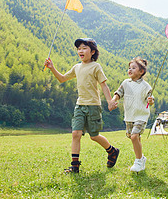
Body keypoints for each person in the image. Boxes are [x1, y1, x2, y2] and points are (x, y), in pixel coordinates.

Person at [44, 38, 119, 173]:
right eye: (79, 48)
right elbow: (62, 79)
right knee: (75, 133)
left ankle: (112, 151)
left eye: (84, 48)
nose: (80, 50)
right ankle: (75, 166)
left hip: (93, 106)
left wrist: (109, 101)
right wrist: (52, 68)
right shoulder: (77, 67)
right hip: (80, 105)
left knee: (94, 136)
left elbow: (103, 84)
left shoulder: (96, 66)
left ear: (93, 52)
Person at [111, 57, 154, 172]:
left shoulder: (146, 86)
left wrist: (151, 101)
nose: (130, 70)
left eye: (133, 68)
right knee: (134, 137)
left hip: (141, 115)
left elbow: (151, 99)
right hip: (129, 116)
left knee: (135, 136)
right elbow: (118, 93)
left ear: (141, 72)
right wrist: (114, 99)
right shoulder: (126, 83)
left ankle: (138, 161)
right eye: (129, 68)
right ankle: (142, 158)